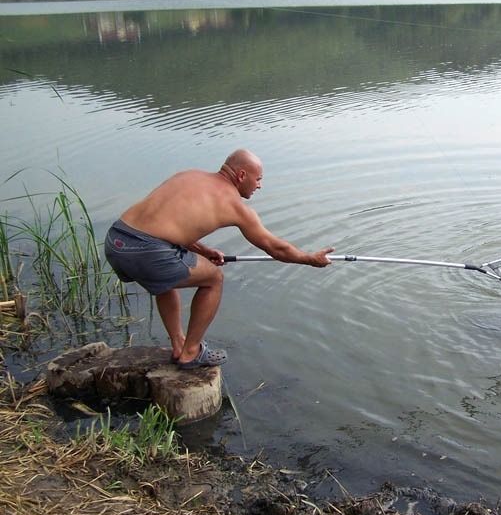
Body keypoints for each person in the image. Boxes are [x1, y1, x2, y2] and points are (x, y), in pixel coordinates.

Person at [104, 148, 334, 369]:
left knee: (166, 280)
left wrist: (204, 251)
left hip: (116, 241)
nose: (259, 185)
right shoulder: (234, 205)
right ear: (242, 175)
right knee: (214, 278)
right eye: (258, 179)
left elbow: (163, 226)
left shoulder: (189, 175)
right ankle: (191, 352)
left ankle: (179, 345)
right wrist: (310, 259)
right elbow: (276, 249)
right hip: (148, 252)